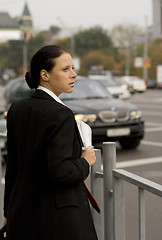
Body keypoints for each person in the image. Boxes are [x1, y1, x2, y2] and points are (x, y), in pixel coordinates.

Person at [3, 45, 98, 240]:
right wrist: (85, 161)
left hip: (23, 213)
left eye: (72, 68)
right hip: (60, 220)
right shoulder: (60, 114)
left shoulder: (17, 109)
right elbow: (61, 172)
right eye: (65, 69)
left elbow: (13, 168)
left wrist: (8, 212)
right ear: (44, 75)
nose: (74, 75)